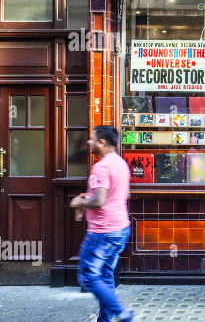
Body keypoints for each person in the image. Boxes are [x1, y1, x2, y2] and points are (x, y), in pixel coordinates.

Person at [70, 126, 136, 322]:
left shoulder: (101, 167)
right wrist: (88, 196)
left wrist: (78, 202)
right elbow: (123, 194)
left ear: (102, 142)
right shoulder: (120, 164)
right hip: (120, 228)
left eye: (91, 139)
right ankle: (105, 320)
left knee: (88, 277)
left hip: (102, 232)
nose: (88, 142)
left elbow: (99, 201)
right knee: (106, 276)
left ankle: (122, 313)